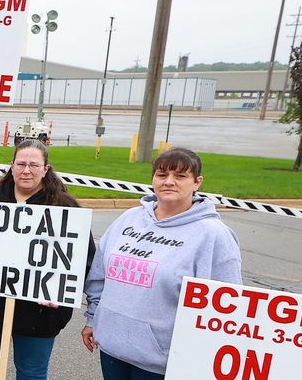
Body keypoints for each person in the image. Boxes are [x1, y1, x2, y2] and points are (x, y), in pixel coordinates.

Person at [83, 147, 242, 379]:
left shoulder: (213, 235)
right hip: (112, 348)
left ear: (197, 182)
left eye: (180, 176)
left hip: (162, 362)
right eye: (162, 175)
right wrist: (93, 318)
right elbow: (100, 275)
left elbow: (227, 304)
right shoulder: (129, 219)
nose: (169, 182)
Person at [0, 139, 96, 380]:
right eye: (21, 164)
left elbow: (84, 261)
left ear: (46, 169)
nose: (26, 170)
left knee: (32, 371)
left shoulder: (66, 209)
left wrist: (62, 290)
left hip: (41, 313)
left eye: (34, 165)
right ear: (11, 166)